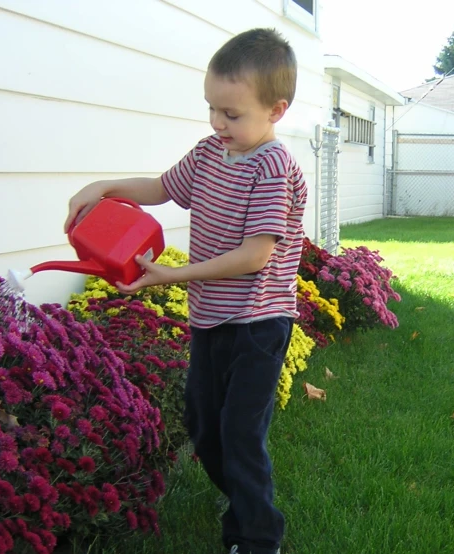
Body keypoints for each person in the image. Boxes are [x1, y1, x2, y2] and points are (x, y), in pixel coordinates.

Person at [64, 28, 306, 554]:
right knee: (204, 427)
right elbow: (161, 189)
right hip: (209, 320)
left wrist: (172, 275)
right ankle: (245, 498)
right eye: (211, 109)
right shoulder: (208, 152)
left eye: (232, 114)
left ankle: (257, 537)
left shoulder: (274, 168)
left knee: (241, 435)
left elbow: (255, 255)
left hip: (258, 324)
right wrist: (102, 187)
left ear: (276, 110)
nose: (218, 123)